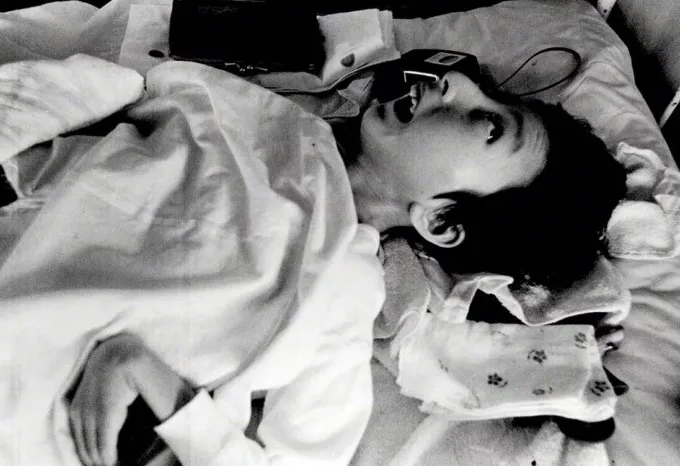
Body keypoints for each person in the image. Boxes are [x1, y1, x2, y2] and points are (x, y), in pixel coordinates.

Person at [67, 71, 627, 466]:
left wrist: (145, 373)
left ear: (441, 221)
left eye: (489, 127)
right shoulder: (274, 115)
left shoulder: (345, 286)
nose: (454, 80)